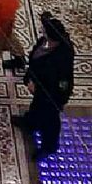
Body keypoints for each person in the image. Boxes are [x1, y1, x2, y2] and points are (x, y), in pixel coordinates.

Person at [12, 13, 75, 160]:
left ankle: (49, 147)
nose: (42, 32)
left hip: (51, 96)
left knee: (50, 121)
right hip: (39, 87)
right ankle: (30, 123)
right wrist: (29, 78)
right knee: (36, 107)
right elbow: (35, 61)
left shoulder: (63, 57)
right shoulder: (44, 42)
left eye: (44, 31)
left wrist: (40, 91)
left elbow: (61, 84)